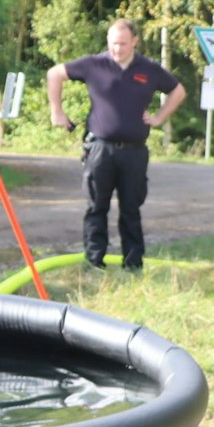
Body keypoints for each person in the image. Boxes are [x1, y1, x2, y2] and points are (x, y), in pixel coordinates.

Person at [45, 19, 189, 270]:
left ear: (134, 41)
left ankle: (133, 265)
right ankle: (94, 263)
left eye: (122, 44)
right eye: (113, 44)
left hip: (134, 151)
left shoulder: (149, 69)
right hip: (100, 149)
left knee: (131, 210)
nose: (117, 49)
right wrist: (56, 111)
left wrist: (159, 117)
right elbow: (55, 73)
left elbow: (178, 91)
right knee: (96, 208)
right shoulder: (94, 64)